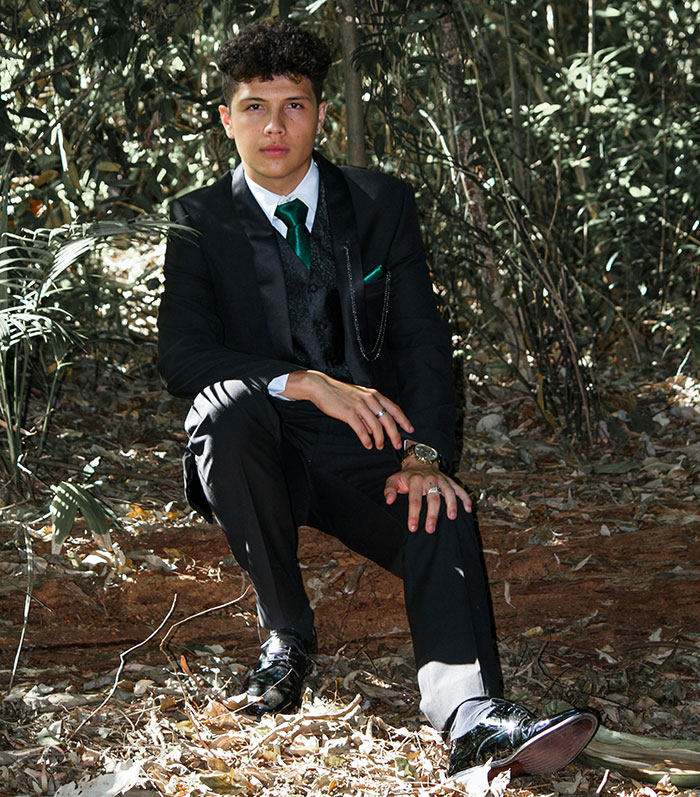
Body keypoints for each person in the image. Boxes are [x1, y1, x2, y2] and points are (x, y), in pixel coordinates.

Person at [157, 20, 599, 782]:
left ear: (321, 114)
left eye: (293, 105)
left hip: (367, 452)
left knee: (443, 504)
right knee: (223, 409)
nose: (274, 125)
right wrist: (306, 381)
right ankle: (286, 635)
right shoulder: (198, 221)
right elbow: (184, 356)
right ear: (226, 119)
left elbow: (424, 342)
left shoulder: (381, 202)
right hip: (255, 456)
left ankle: (472, 716)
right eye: (254, 106)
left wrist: (426, 452)